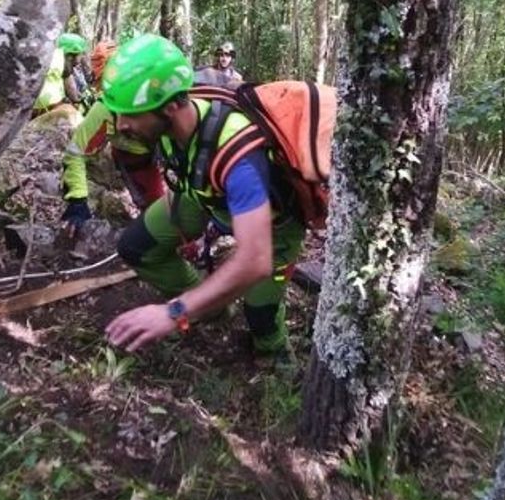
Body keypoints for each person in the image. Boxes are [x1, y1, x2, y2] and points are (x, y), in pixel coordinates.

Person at [69, 34, 308, 356]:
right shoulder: (167, 126)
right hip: (201, 196)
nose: (121, 125)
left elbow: (256, 260)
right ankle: (208, 305)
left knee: (260, 315)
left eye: (130, 115)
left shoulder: (239, 157)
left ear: (169, 108)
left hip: (274, 226)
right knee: (137, 248)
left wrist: (173, 313)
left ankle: (276, 357)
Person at [33, 32, 90, 114]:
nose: (82, 57)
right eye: (81, 54)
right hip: (48, 104)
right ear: (73, 53)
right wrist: (77, 100)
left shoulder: (51, 55)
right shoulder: (63, 60)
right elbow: (71, 88)